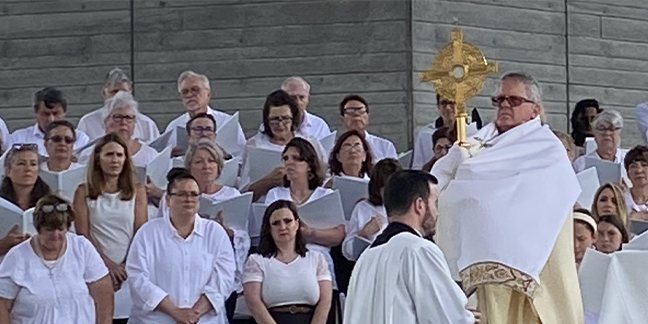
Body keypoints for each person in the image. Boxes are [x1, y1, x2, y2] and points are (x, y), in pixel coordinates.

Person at [432, 72, 583, 324]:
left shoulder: (547, 149)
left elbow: (538, 203)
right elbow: (440, 186)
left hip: (529, 265)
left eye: (513, 100)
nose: (503, 105)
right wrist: (455, 161)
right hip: (477, 265)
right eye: (499, 99)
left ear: (534, 110)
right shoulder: (477, 143)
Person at [344, 170, 476, 324]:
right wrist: (467, 316)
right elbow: (448, 318)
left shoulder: (366, 257)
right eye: (435, 202)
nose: (437, 212)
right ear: (419, 205)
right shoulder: (418, 250)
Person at [126, 169, 236, 324]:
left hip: (204, 320)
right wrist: (175, 312)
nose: (189, 199)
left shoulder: (215, 232)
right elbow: (137, 278)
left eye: (193, 194)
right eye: (182, 194)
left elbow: (224, 278)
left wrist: (193, 315)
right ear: (168, 199)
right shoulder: (148, 233)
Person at [263, 138, 344, 323]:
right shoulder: (276, 195)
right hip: (282, 272)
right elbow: (269, 231)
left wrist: (310, 233)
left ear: (309, 165)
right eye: (286, 158)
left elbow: (338, 235)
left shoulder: (325, 196)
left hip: (320, 273)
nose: (289, 162)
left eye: (297, 158)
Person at [0, 194, 114, 324]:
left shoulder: (82, 247)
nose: (55, 235)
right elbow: (2, 304)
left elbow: (103, 293)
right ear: (38, 228)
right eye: (49, 230)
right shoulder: (17, 256)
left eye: (61, 229)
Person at [73, 133, 147, 323]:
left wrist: (123, 266)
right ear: (98, 158)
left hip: (129, 269)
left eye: (119, 155)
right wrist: (108, 265)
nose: (115, 160)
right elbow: (83, 234)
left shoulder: (137, 191)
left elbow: (141, 232)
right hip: (96, 267)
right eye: (109, 155)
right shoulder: (83, 191)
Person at [243, 200, 332, 324]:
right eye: (276, 223)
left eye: (287, 221)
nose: (283, 227)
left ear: (297, 224)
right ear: (269, 229)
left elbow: (325, 300)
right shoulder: (256, 261)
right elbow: (254, 302)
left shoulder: (317, 258)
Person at [244, 90, 324, 201]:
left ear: (293, 118)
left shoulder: (310, 143)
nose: (280, 125)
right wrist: (268, 181)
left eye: (285, 119)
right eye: (274, 120)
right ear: (267, 120)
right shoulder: (254, 145)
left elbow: (324, 179)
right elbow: (243, 194)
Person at [163, 70, 246, 158]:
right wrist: (169, 156)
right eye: (185, 92)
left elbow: (243, 157)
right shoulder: (173, 127)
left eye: (195, 90)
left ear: (208, 94)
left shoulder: (227, 122)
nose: (189, 95)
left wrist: (225, 155)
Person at [77, 67, 160, 143]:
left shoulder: (147, 124)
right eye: (115, 92)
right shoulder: (87, 122)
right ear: (104, 93)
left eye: (124, 92)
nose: (119, 96)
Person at [78, 91, 159, 167]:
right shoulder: (89, 155)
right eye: (118, 117)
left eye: (128, 117)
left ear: (134, 123)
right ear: (106, 121)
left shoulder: (150, 155)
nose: (124, 122)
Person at [342, 158, 401, 261]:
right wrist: (363, 234)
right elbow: (348, 252)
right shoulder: (363, 208)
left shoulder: (407, 207)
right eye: (386, 189)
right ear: (377, 189)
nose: (392, 194)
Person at [0, 144, 51, 257]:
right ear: (8, 171)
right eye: (21, 163)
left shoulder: (51, 204)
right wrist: (4, 243)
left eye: (33, 164)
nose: (28, 169)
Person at [7, 87, 89, 156]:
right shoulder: (18, 139)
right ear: (36, 113)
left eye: (55, 113)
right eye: (46, 114)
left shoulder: (80, 138)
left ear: (65, 112)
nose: (51, 119)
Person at [412, 95, 482, 169]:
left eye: (452, 102)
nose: (448, 107)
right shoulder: (425, 134)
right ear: (438, 106)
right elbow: (417, 167)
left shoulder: (473, 133)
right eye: (443, 103)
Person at [572, 110, 628, 184]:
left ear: (619, 132)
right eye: (602, 129)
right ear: (594, 133)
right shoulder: (581, 163)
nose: (607, 133)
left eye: (612, 129)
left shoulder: (628, 158)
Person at [338, 94, 397, 162]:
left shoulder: (385, 146)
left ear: (368, 117)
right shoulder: (335, 148)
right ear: (342, 119)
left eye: (361, 110)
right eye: (350, 111)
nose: (356, 114)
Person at [623, 145, 648, 221]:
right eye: (633, 166)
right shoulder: (619, 199)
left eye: (644, 165)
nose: (639, 171)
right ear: (628, 174)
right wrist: (630, 219)